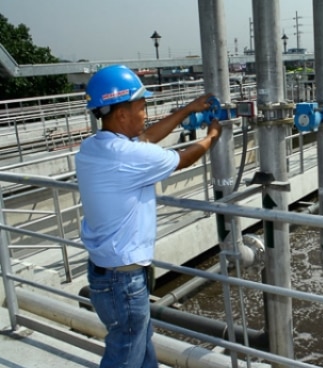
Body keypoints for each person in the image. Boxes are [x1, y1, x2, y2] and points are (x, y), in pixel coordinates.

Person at [75, 64, 221, 368]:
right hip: (122, 280)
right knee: (125, 353)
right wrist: (213, 136)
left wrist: (187, 110)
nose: (146, 114)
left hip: (108, 272)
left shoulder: (95, 146)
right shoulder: (127, 156)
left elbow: (147, 138)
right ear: (122, 114)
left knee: (139, 345)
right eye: (142, 107)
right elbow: (183, 159)